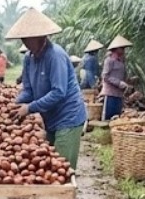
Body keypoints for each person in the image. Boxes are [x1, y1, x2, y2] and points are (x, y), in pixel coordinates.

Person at [7, 9, 88, 168]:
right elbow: (29, 90)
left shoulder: (55, 55)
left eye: (28, 38)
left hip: (68, 117)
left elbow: (59, 92)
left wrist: (29, 108)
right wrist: (15, 104)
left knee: (62, 168)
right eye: (23, 38)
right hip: (50, 117)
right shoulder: (29, 58)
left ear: (41, 36)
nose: (25, 42)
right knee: (50, 164)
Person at [101, 36, 133, 121]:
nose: (123, 50)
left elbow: (122, 76)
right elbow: (105, 76)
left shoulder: (121, 61)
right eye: (122, 48)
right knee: (108, 117)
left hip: (119, 94)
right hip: (110, 93)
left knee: (117, 117)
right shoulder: (109, 60)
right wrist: (119, 83)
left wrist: (128, 81)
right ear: (116, 48)